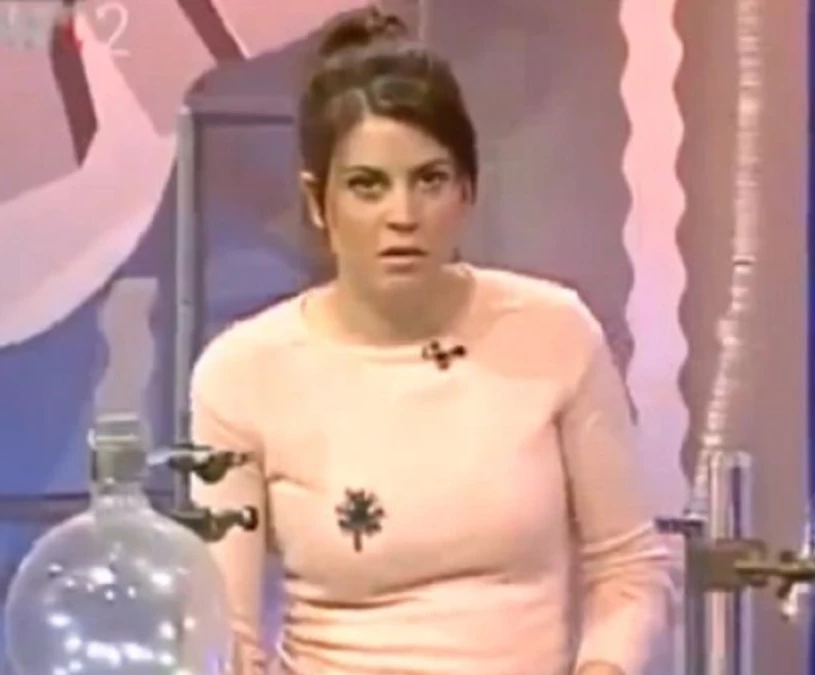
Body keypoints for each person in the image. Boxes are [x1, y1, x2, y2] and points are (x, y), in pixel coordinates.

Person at [189, 7, 672, 675]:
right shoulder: (242, 374)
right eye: (367, 186)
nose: (403, 216)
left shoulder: (555, 333)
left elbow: (629, 572)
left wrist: (602, 667)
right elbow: (228, 635)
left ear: (468, 190)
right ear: (317, 201)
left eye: (430, 180)